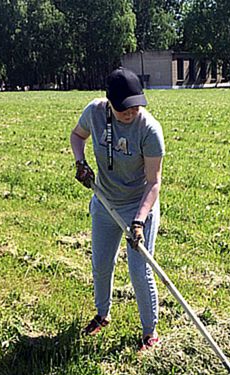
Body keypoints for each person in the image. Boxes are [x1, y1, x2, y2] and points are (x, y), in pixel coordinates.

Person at [70, 67, 165, 351]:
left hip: (139, 206)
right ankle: (102, 314)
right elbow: (77, 136)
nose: (131, 112)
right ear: (109, 101)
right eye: (124, 108)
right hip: (105, 203)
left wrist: (139, 221)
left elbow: (154, 183)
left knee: (140, 271)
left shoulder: (149, 130)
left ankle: (150, 333)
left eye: (136, 105)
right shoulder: (95, 112)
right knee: (100, 264)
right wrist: (80, 162)